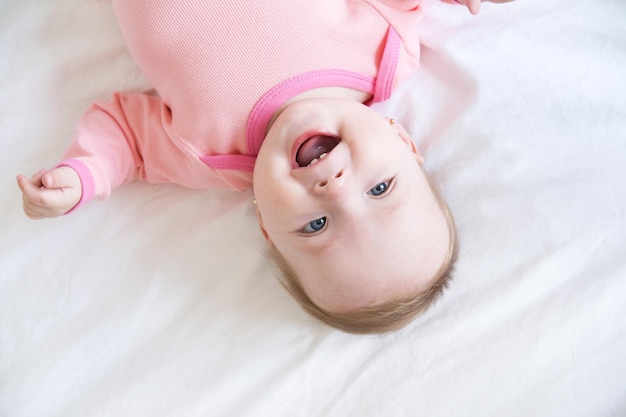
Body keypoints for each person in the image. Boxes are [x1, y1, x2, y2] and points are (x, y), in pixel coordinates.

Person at [16, 0, 506, 334]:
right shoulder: (384, 49)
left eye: (316, 225)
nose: (334, 188)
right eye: (379, 189)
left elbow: (127, 138)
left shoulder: (206, 155)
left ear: (268, 228)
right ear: (403, 141)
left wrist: (85, 174)